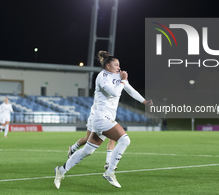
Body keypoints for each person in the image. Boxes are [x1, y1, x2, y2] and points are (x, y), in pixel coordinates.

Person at [54, 51, 153, 189]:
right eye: (116, 65)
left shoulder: (119, 76)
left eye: (119, 65)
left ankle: (61, 170)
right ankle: (110, 171)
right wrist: (123, 80)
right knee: (125, 140)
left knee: (88, 150)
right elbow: (114, 92)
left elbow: (129, 90)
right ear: (107, 66)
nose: (119, 67)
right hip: (101, 117)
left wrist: (144, 101)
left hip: (105, 118)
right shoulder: (102, 76)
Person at [67, 103, 117, 170]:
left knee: (113, 137)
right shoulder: (103, 93)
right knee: (88, 139)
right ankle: (73, 148)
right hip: (96, 117)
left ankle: (108, 163)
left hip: (107, 118)